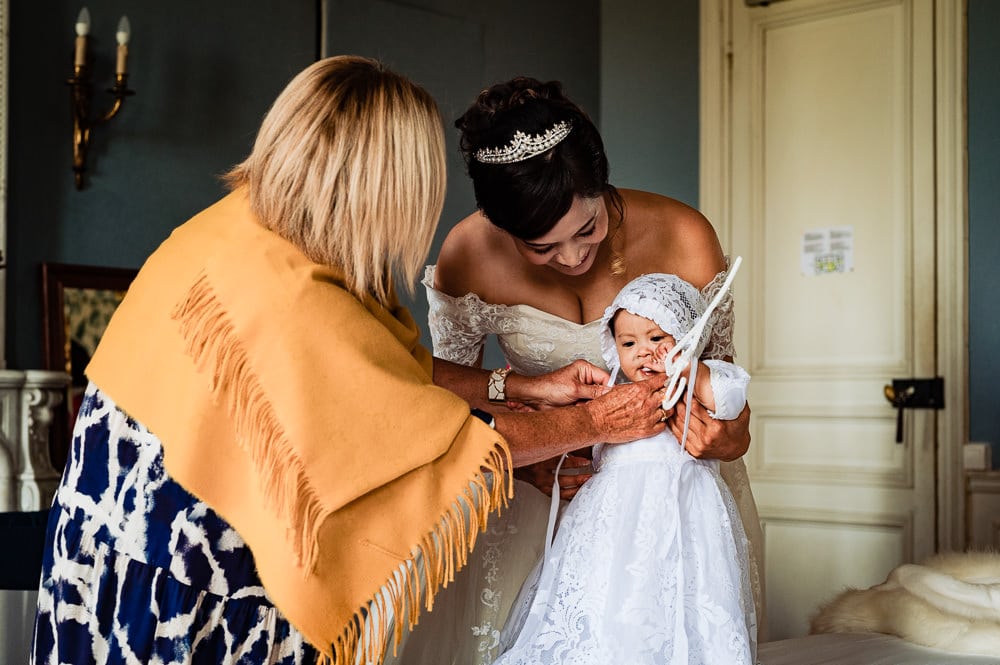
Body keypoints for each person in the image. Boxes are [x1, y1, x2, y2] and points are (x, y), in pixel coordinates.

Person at [30, 57, 668, 665]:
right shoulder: (287, 295)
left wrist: (519, 385)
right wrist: (594, 423)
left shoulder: (249, 231)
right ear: (382, 186)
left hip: (106, 544)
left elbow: (381, 371)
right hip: (184, 573)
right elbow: (425, 437)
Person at [392, 76, 765, 665]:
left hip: (667, 504)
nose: (570, 257)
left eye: (586, 230)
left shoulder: (683, 236)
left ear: (600, 184)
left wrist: (730, 436)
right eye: (539, 247)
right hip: (534, 503)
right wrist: (530, 460)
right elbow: (448, 401)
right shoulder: (469, 254)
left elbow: (721, 387)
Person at [495, 272, 757, 664]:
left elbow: (730, 398)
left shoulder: (692, 389)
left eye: (657, 339)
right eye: (629, 343)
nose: (644, 353)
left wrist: (692, 370)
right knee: (609, 596)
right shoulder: (614, 394)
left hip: (685, 515)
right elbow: (582, 435)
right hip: (612, 521)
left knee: (682, 599)